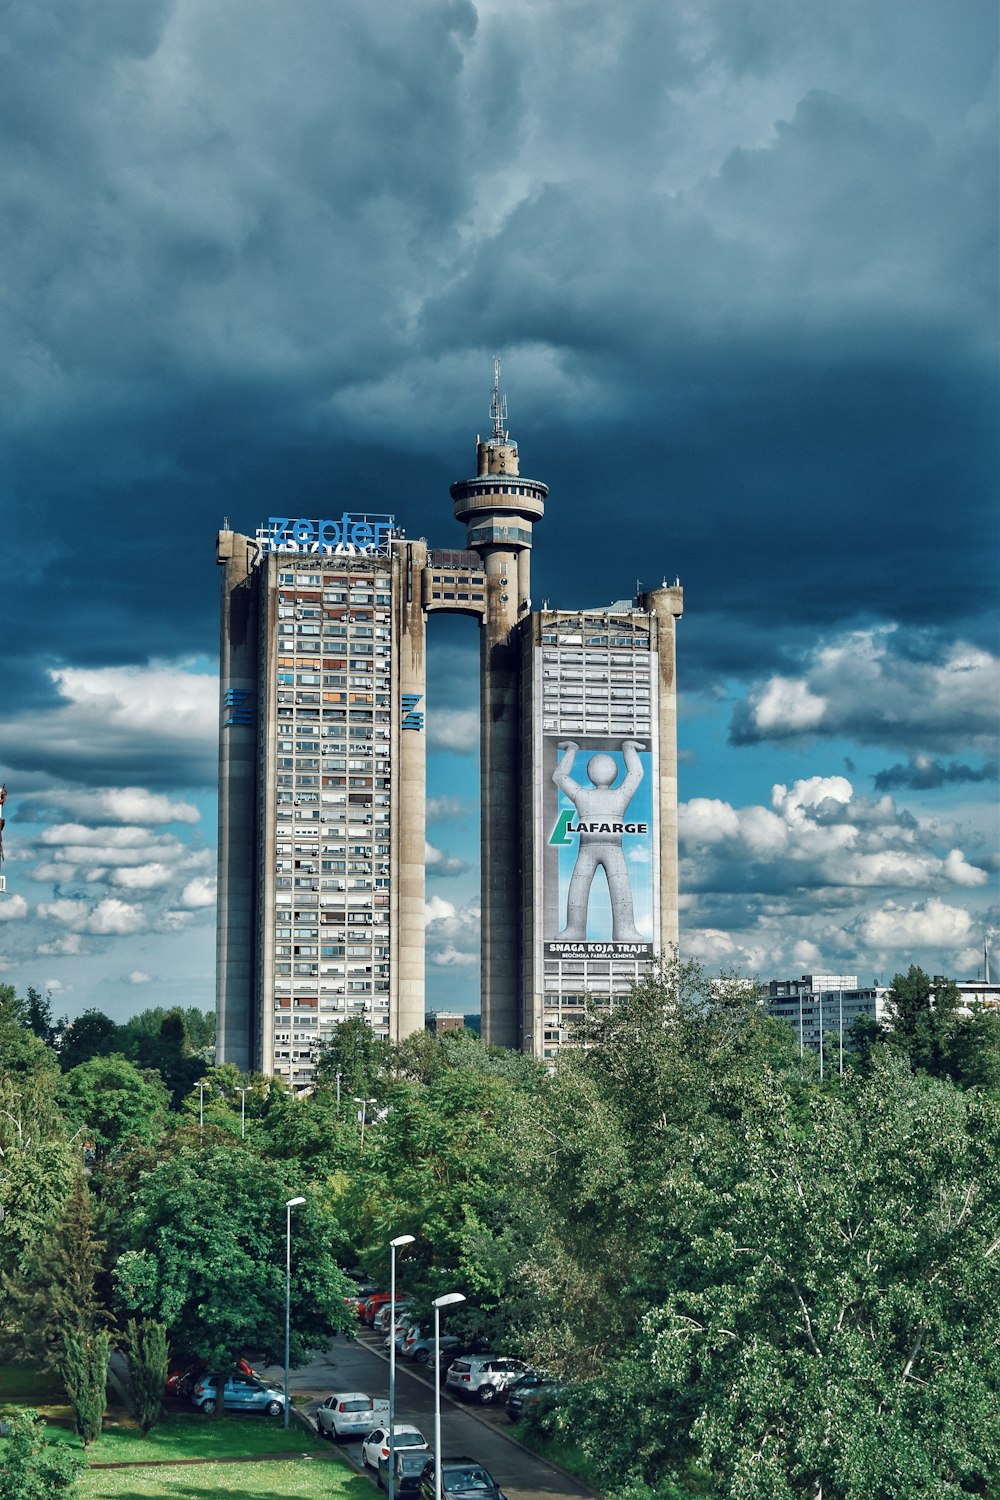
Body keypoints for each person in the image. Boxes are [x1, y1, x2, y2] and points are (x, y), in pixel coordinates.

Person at [552, 740, 646, 943]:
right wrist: (628, 749)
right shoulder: (620, 795)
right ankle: (625, 929)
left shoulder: (582, 795)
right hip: (614, 848)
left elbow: (559, 777)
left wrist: (572, 749)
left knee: (579, 884)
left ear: (589, 773)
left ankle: (575, 929)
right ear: (613, 773)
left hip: (587, 848)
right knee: (621, 886)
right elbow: (636, 774)